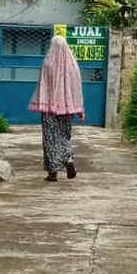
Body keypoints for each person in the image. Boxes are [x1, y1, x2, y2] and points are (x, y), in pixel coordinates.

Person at [28, 35, 84, 182]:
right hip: (67, 109)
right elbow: (76, 89)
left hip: (49, 109)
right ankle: (68, 158)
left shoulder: (48, 64)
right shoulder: (73, 66)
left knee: (49, 140)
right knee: (64, 137)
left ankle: (52, 173)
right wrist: (79, 109)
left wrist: (41, 103)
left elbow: (43, 86)